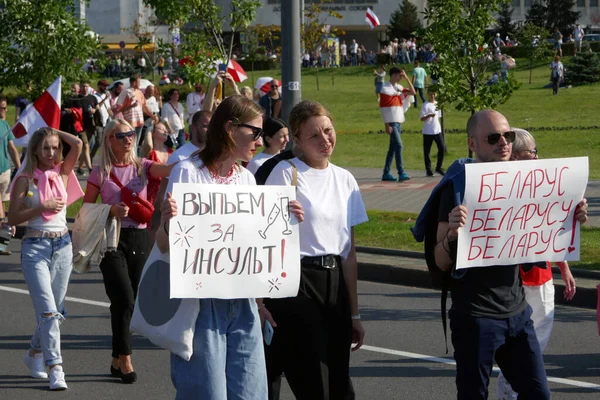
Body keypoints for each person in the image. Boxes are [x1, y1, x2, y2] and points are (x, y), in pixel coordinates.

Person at [414, 109, 588, 400]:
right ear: (472, 143)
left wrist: (571, 215)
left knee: (538, 394)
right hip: (476, 317)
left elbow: (546, 227)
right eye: (493, 137)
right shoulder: (459, 187)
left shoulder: (522, 183)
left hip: (518, 313)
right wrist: (453, 235)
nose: (503, 143)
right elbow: (440, 261)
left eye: (507, 136)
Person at [156, 95, 304, 399]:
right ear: (229, 128)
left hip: (244, 303)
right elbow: (163, 244)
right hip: (202, 303)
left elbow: (252, 247)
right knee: (207, 393)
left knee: (251, 392)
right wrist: (168, 221)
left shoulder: (246, 180)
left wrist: (284, 220)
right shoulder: (188, 172)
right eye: (255, 133)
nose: (260, 141)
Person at [263, 100, 366, 400]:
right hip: (297, 282)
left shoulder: (345, 178)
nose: (325, 140)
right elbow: (264, 232)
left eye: (328, 131)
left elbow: (348, 251)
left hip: (334, 283)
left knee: (339, 380)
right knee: (313, 381)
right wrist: (279, 212)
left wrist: (355, 314)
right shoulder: (285, 172)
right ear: (297, 141)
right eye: (314, 135)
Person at [83, 119, 173, 384]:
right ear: (109, 139)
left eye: (131, 134)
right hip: (111, 238)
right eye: (121, 135)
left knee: (131, 300)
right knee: (123, 298)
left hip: (139, 238)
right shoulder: (100, 172)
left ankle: (115, 357)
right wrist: (110, 210)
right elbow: (86, 211)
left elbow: (169, 170)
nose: (128, 139)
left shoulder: (143, 167)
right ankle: (126, 359)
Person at [496, 128, 577, 400]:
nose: (537, 157)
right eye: (533, 152)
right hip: (514, 281)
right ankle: (512, 393)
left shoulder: (544, 186)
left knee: (536, 345)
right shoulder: (502, 187)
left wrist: (563, 267)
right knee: (522, 350)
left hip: (541, 276)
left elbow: (553, 229)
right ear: (518, 157)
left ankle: (515, 391)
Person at [8, 128, 84, 390]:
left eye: (54, 148)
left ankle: (34, 354)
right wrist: (42, 207)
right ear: (35, 151)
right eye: (46, 148)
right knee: (49, 312)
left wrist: (54, 130)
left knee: (56, 311)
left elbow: (78, 144)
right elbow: (12, 219)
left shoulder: (62, 172)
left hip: (63, 246)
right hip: (35, 248)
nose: (51, 153)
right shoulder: (26, 180)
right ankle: (56, 367)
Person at [379, 67, 416, 182]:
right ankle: (401, 172)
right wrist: (386, 124)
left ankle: (386, 173)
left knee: (392, 148)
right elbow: (383, 108)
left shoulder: (398, 88)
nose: (400, 78)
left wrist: (406, 78)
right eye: (399, 75)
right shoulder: (385, 89)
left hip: (398, 120)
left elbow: (413, 92)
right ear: (393, 75)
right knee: (399, 145)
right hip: (391, 122)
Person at [118, 74, 158, 152]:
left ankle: (135, 160)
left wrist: (153, 116)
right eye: (139, 82)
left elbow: (144, 107)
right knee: (130, 143)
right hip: (129, 122)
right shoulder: (125, 93)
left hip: (139, 122)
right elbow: (120, 109)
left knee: (136, 143)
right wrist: (131, 106)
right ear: (134, 83)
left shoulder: (140, 93)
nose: (140, 84)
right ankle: (131, 160)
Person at [0, 97, 21, 219]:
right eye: (2, 108)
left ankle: (1, 229)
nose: (6, 110)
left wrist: (19, 168)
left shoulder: (5, 124)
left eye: (6, 107)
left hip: (5, 170)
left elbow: (12, 149)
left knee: (2, 202)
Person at [142, 122, 172, 205]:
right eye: (162, 129)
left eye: (166, 130)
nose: (165, 132)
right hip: (152, 194)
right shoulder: (150, 152)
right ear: (153, 133)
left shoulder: (171, 152)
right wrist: (148, 129)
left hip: (167, 192)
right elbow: (148, 144)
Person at [420, 90, 445, 177]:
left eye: (434, 94)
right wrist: (429, 115)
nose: (432, 96)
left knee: (441, 148)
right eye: (431, 94)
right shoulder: (425, 105)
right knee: (427, 151)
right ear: (428, 94)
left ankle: (439, 167)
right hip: (427, 131)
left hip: (437, 130)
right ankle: (428, 170)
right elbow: (422, 118)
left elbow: (439, 116)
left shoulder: (438, 104)